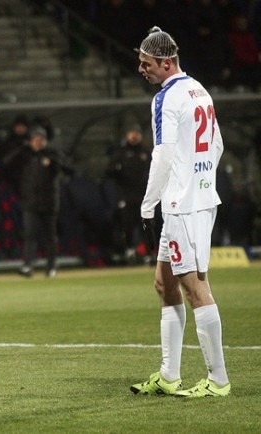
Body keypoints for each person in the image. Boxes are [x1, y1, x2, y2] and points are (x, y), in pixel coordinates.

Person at [130, 27, 230, 398]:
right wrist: (202, 179)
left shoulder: (167, 97)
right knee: (164, 282)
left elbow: (164, 154)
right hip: (196, 197)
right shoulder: (198, 89)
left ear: (165, 62)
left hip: (181, 205)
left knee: (195, 287)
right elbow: (216, 143)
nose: (141, 69)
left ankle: (218, 380)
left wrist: (148, 203)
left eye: (146, 63)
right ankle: (169, 375)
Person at [10, 125, 71, 278]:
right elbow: (7, 163)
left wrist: (54, 161)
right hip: (30, 202)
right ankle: (28, 265)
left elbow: (67, 168)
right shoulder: (26, 156)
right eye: (35, 139)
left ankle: (51, 266)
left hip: (49, 202)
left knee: (49, 235)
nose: (37, 142)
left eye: (40, 139)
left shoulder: (52, 155)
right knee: (29, 234)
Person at [105, 124, 151, 262]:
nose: (134, 135)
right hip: (126, 195)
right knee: (127, 225)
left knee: (146, 225)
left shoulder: (145, 152)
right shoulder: (120, 153)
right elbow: (109, 173)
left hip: (144, 195)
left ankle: (149, 253)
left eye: (137, 132)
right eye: (132, 132)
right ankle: (129, 251)